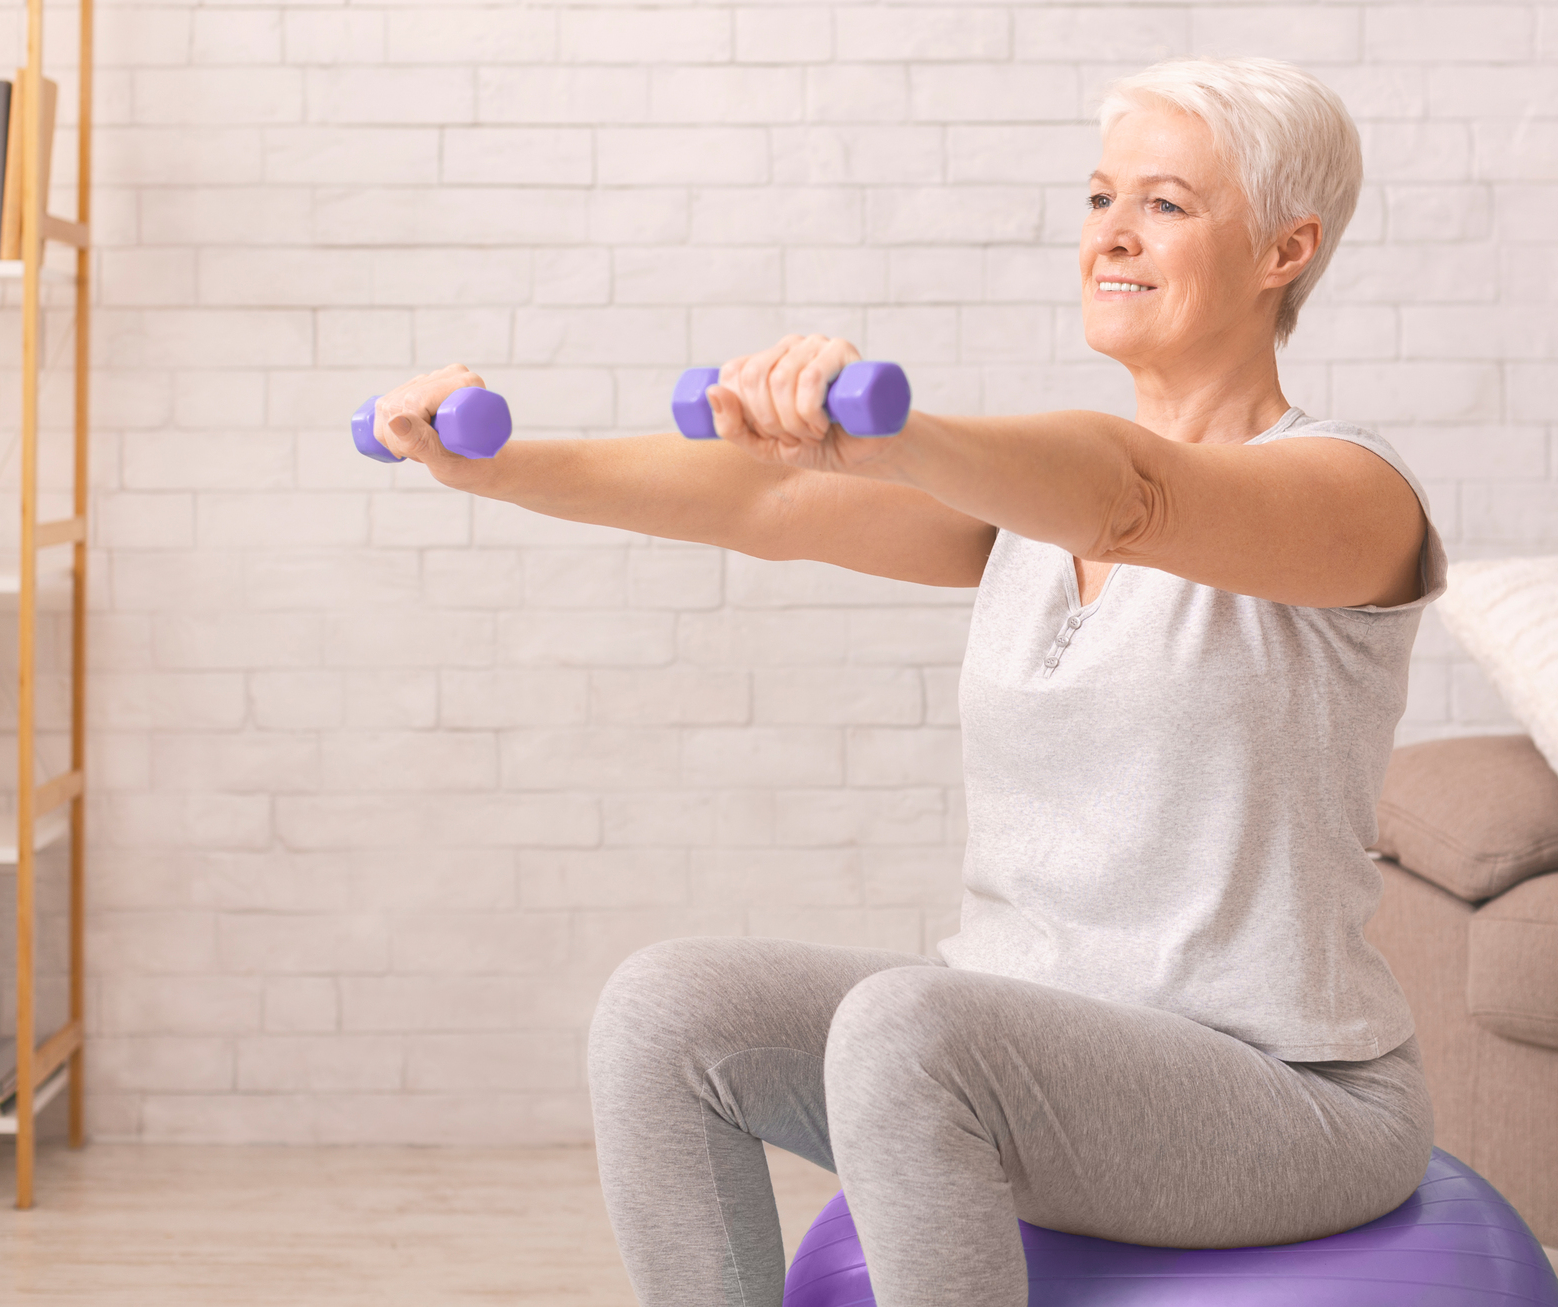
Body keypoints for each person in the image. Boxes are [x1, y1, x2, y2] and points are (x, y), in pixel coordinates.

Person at [370, 55, 1442, 1307]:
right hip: (1025, 1064)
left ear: (1285, 247)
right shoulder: (1031, 521)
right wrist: (495, 467)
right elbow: (771, 496)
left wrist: (893, 437)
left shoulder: (1350, 494)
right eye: (1100, 199)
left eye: (1165, 203)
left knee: (908, 1021)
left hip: (1285, 1096)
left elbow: (1139, 492)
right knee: (666, 1009)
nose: (1112, 236)